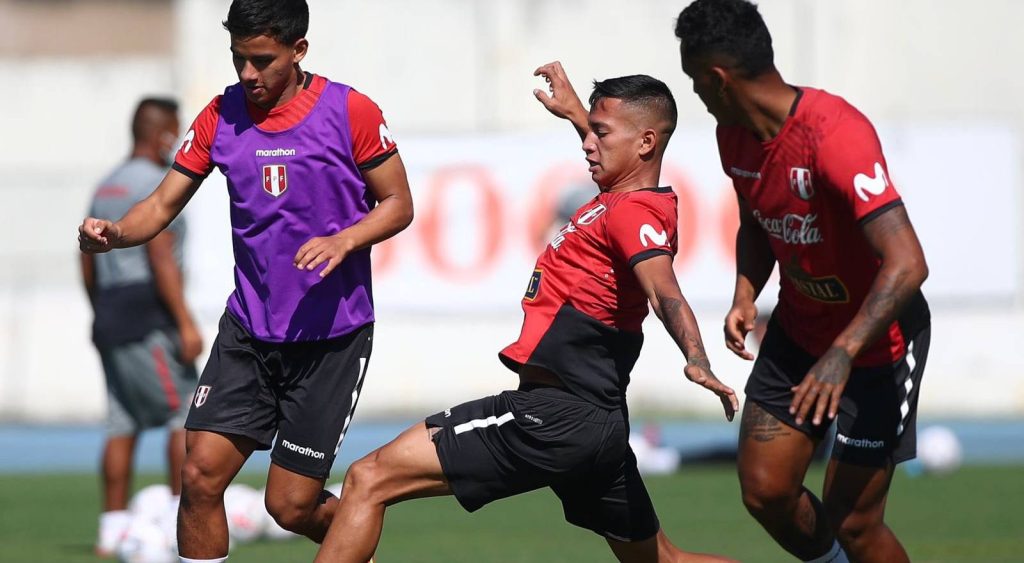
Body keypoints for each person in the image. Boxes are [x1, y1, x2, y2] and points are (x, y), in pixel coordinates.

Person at [313, 62, 738, 563]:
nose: (588, 143)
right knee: (661, 561)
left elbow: (664, 290)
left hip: (555, 418)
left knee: (367, 478)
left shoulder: (632, 212)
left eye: (601, 134)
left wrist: (697, 357)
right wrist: (580, 114)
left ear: (645, 143)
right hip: (594, 422)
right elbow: (619, 162)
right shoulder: (620, 197)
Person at [77, 1, 414, 561]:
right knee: (200, 475)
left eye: (261, 60)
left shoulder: (350, 111)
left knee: (290, 506)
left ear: (298, 50)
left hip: (330, 339)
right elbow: (161, 203)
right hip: (250, 331)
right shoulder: (220, 115)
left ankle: (356, 536)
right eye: (238, 59)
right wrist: (115, 232)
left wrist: (345, 239)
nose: (247, 75)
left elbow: (398, 203)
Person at [674, 2, 931, 562]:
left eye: (694, 81)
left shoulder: (835, 134)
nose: (694, 94)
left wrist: (843, 353)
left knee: (855, 524)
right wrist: (746, 292)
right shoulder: (733, 136)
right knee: (766, 491)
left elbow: (908, 263)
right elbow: (756, 223)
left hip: (876, 347)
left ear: (717, 79)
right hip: (799, 332)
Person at [82, 97, 202, 557]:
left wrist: (100, 309)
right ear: (161, 133)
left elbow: (87, 258)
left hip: (111, 314)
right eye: (175, 130)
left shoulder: (106, 185)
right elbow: (159, 255)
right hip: (148, 315)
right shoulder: (153, 182)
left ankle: (112, 528)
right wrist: (185, 323)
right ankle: (181, 521)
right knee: (184, 414)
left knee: (121, 422)